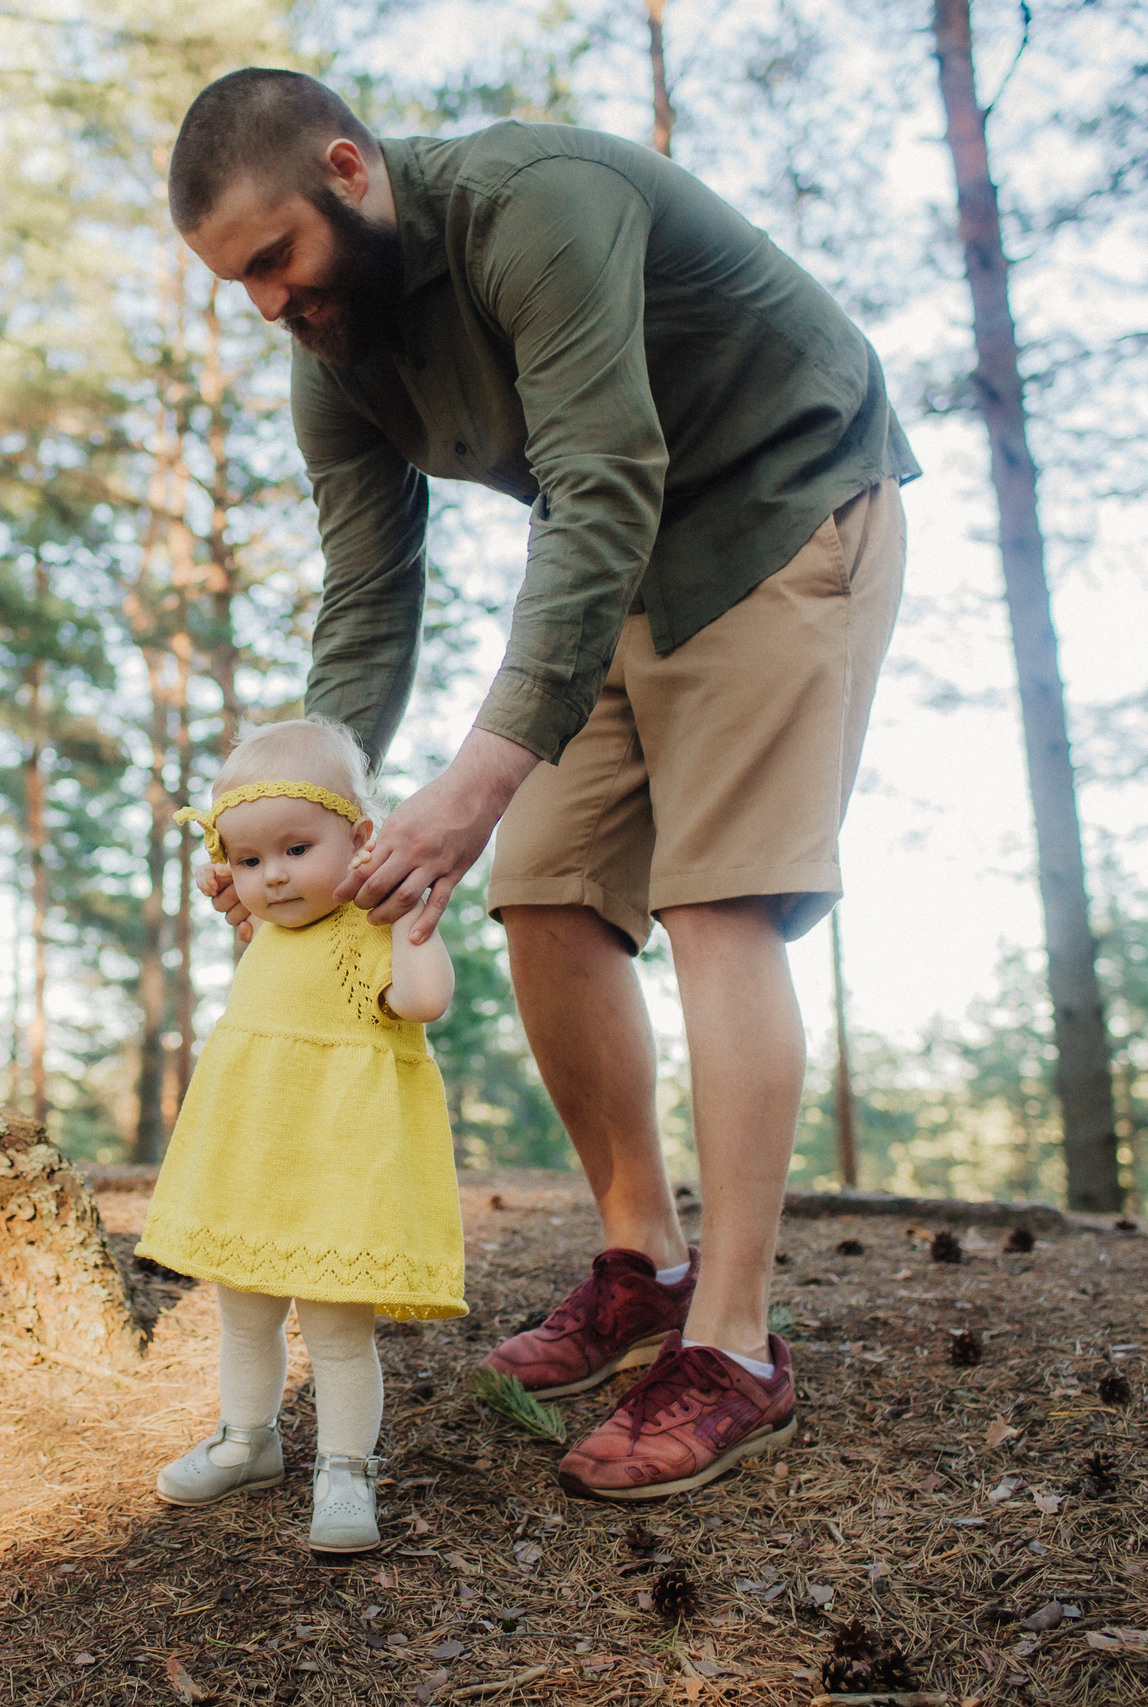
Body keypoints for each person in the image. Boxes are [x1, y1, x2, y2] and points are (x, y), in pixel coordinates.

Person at [169, 71, 914, 1501]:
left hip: (780, 500)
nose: (267, 301)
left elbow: (607, 472)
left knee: (716, 897)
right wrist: (293, 822)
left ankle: (737, 1341)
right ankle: (645, 1259)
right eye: (236, 282)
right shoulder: (329, 347)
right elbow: (368, 592)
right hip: (613, 558)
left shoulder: (537, 208)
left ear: (351, 171)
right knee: (546, 892)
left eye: (275, 258)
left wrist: (478, 772)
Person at [133, 718, 461, 1553]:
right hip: (256, 1159)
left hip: (338, 1169)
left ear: (360, 840)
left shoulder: (367, 932)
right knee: (243, 1314)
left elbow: (422, 1004)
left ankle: (345, 1468)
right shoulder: (266, 933)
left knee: (337, 1331)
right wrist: (242, 899)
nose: (271, 876)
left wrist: (412, 909)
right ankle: (247, 1441)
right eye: (248, 860)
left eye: (294, 849)